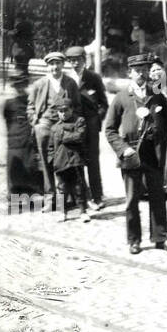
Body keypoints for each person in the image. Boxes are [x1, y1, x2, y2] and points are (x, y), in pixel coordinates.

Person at [104, 55, 167, 255]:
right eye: (137, 70)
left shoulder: (156, 94)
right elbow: (109, 129)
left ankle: (160, 238)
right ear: (130, 73)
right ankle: (134, 240)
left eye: (145, 69)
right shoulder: (121, 97)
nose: (142, 74)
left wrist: (157, 132)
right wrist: (123, 149)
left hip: (152, 154)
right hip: (130, 155)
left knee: (158, 197)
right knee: (132, 200)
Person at [27, 51, 81, 209]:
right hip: (45, 123)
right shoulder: (40, 84)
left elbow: (77, 106)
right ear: (47, 66)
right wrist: (35, 122)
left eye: (58, 63)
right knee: (46, 162)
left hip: (64, 125)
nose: (54, 67)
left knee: (66, 160)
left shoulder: (70, 83)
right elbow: (30, 107)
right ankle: (50, 198)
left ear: (63, 65)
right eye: (51, 64)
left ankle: (67, 197)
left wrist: (71, 122)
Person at [64, 45, 107, 210]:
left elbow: (104, 103)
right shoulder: (66, 80)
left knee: (93, 162)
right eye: (72, 61)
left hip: (91, 128)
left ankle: (97, 196)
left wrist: (96, 120)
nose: (75, 64)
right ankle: (81, 197)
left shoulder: (93, 78)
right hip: (73, 128)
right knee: (76, 162)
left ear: (84, 60)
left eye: (78, 60)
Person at [48, 96, 89, 222]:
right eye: (60, 111)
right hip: (60, 161)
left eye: (66, 110)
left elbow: (79, 136)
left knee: (79, 186)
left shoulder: (79, 121)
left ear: (71, 109)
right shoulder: (54, 128)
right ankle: (62, 212)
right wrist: (52, 159)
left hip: (75, 159)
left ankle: (83, 211)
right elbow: (50, 146)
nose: (63, 113)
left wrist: (63, 136)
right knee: (62, 187)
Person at [4, 72, 42, 202]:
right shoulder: (9, 103)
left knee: (29, 164)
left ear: (26, 85)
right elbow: (7, 120)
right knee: (14, 167)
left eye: (22, 85)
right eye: (16, 86)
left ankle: (30, 196)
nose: (19, 88)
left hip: (28, 135)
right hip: (14, 138)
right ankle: (14, 197)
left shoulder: (31, 100)